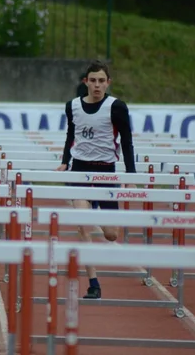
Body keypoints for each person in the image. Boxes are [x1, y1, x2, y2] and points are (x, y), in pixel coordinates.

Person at [56, 60, 136, 299]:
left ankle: (97, 210)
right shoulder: (72, 106)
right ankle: (93, 283)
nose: (97, 85)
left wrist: (131, 176)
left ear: (108, 83)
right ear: (86, 82)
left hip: (105, 172)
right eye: (93, 81)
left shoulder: (117, 107)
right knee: (83, 223)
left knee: (111, 234)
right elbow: (72, 133)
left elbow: (127, 141)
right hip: (79, 170)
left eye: (102, 81)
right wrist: (64, 160)